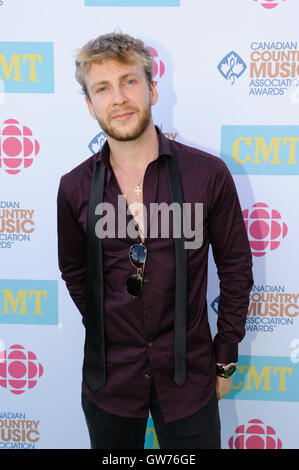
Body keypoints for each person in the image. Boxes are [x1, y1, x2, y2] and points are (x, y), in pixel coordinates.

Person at [57, 32, 253, 450]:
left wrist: (224, 357)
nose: (119, 98)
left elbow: (235, 268)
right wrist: (103, 324)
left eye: (129, 81)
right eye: (103, 88)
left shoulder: (208, 175)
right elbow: (73, 269)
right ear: (90, 105)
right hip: (109, 380)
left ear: (152, 88)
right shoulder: (73, 188)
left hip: (191, 379)